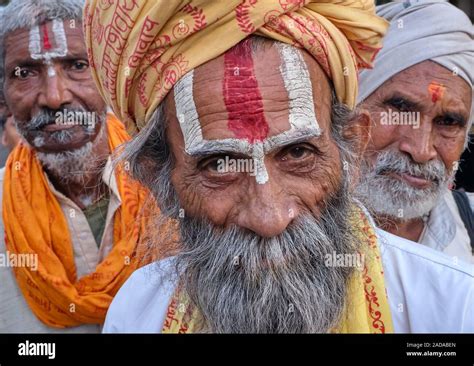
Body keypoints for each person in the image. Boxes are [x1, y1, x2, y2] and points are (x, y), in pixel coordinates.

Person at [85, 0, 473, 333]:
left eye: (298, 154)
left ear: (351, 150)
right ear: (158, 178)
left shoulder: (452, 310)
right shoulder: (139, 312)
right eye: (219, 164)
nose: (269, 218)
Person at [0, 0, 154, 332]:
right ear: (4, 95)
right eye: (25, 72)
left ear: (108, 76)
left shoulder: (171, 187)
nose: (54, 97)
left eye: (77, 64)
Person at [356, 0, 474, 263]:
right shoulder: (282, 230)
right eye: (399, 108)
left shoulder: (469, 225)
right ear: (350, 109)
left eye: (448, 122)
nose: (421, 151)